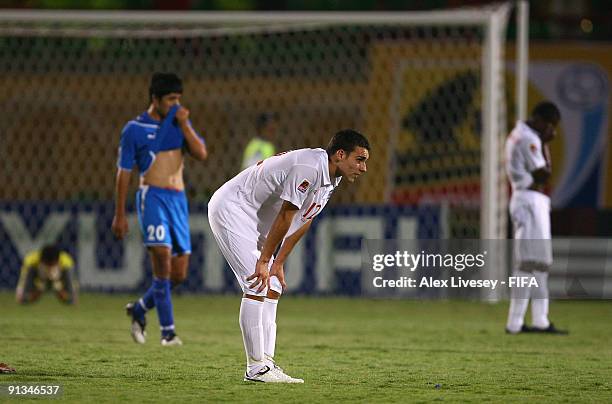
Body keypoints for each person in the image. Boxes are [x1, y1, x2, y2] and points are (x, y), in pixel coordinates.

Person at [208, 129, 370, 382]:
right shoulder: (310, 167)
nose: (363, 168)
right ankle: (255, 368)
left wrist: (278, 262)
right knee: (257, 282)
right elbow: (286, 214)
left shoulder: (331, 177)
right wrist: (264, 260)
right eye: (359, 159)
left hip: (256, 216)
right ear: (340, 155)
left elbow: (304, 219)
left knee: (272, 283)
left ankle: (267, 364)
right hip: (232, 207)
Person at [111, 72, 208, 346]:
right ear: (155, 99)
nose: (176, 104)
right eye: (171, 99)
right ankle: (168, 334)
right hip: (152, 196)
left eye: (179, 98)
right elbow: (124, 172)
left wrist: (185, 123)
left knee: (178, 274)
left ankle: (140, 309)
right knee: (163, 261)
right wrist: (120, 213)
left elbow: (201, 153)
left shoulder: (178, 125)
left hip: (178, 200)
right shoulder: (134, 129)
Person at [505, 101, 567, 335]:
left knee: (537, 264)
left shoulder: (519, 133)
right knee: (528, 264)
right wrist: (544, 144)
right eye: (550, 125)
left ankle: (538, 320)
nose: (552, 131)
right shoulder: (530, 139)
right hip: (529, 200)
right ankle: (515, 323)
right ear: (541, 121)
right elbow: (543, 174)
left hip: (528, 200)